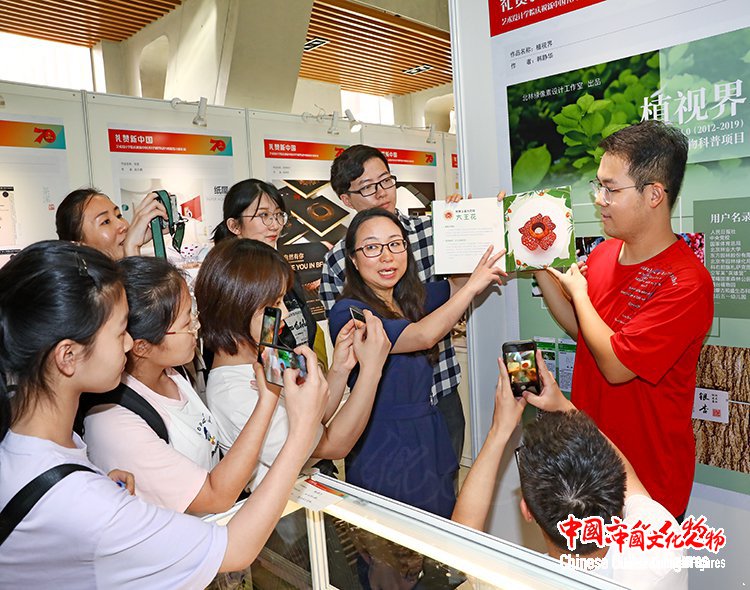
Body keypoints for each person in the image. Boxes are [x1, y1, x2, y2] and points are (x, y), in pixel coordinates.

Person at [0, 240, 329, 588]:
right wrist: (302, 427)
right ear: (67, 356)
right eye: (119, 332)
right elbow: (234, 549)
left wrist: (103, 483)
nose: (129, 344)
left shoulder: (38, 450)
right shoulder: (84, 498)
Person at [534, 120, 713, 520]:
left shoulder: (687, 282)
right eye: (598, 186)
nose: (599, 199)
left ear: (654, 194)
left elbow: (616, 366)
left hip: (647, 489)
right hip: (587, 470)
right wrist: (538, 263)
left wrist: (578, 291)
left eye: (611, 189)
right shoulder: (603, 254)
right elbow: (582, 329)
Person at [452, 353, 687, 590]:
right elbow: (628, 475)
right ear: (616, 495)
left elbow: (458, 543)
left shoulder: (519, 583)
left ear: (527, 511)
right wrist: (565, 407)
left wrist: (499, 431)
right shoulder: (661, 547)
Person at [327, 208, 506, 518]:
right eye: (371, 247)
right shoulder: (349, 312)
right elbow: (423, 336)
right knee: (389, 553)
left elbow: (456, 285)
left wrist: (487, 219)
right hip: (383, 446)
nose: (387, 257)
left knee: (438, 543)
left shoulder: (408, 298)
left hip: (428, 440)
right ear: (353, 260)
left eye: (395, 244)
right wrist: (475, 287)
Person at [81, 256, 287, 514]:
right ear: (142, 346)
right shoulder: (112, 423)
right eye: (187, 323)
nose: (197, 328)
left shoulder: (174, 373)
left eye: (194, 315)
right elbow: (214, 496)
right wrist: (268, 400)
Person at [194, 238, 390, 490]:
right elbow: (330, 445)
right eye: (274, 305)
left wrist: (341, 367)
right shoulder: (234, 394)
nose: (285, 313)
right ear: (238, 307)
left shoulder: (265, 354)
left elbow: (314, 416)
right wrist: (372, 370)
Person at [320, 145, 468, 465]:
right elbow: (352, 341)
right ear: (346, 199)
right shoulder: (336, 262)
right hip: (381, 405)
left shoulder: (432, 230)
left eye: (386, 180)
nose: (382, 193)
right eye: (368, 187)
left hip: (441, 391)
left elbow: (459, 285)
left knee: (445, 494)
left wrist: (466, 220)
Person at [212, 178, 326, 364]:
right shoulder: (237, 284)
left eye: (278, 215)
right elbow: (267, 348)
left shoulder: (283, 272)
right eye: (263, 215)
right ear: (234, 226)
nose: (275, 225)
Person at [56, 187, 168, 260]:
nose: (123, 226)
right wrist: (131, 250)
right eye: (105, 222)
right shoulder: (84, 293)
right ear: (79, 244)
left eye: (119, 215)